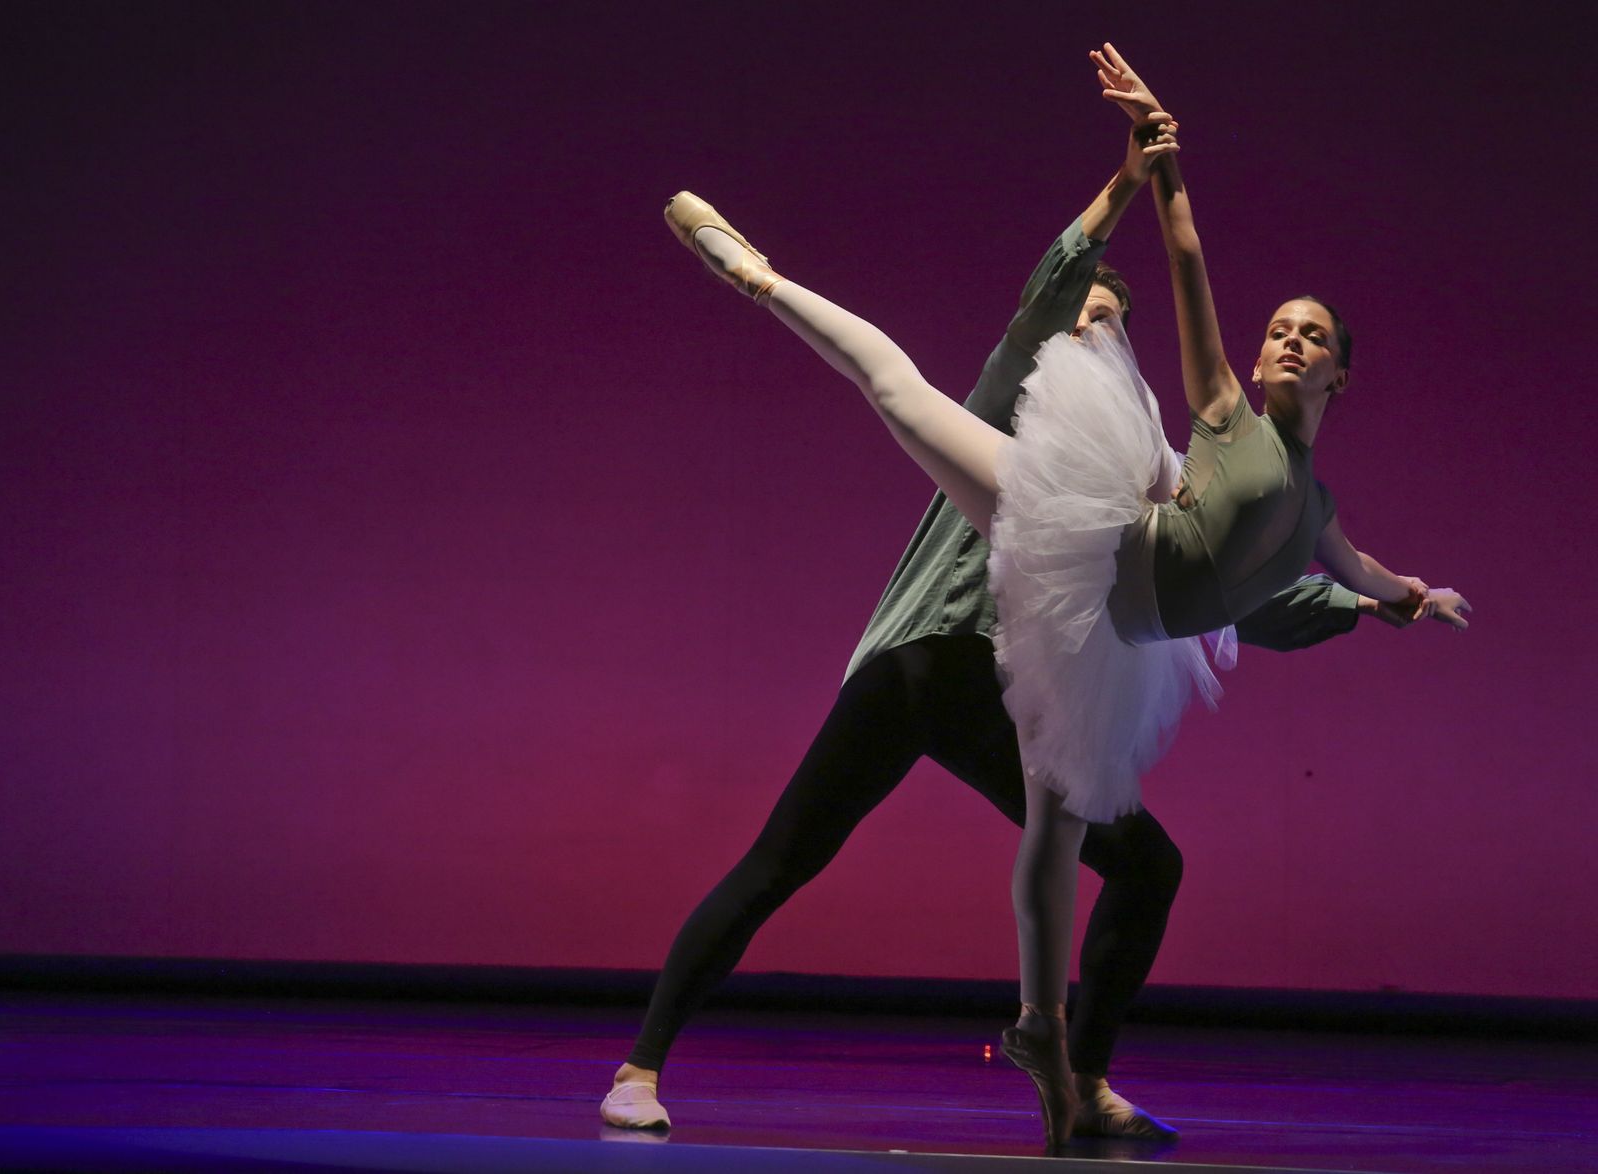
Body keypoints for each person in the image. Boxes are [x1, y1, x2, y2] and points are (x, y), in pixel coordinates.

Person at [605, 60, 1469, 1143]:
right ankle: (638, 1065)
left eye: (1111, 317)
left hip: (1016, 691)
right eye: (1085, 311)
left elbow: (1231, 589)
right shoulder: (1010, 382)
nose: (1097, 321)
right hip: (925, 661)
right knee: (784, 856)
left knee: (1144, 864)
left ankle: (1076, 1070)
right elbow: (1055, 286)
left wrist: (1371, 602)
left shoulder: (1148, 465)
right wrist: (1128, 183)